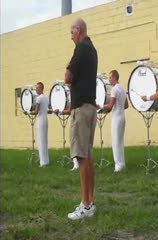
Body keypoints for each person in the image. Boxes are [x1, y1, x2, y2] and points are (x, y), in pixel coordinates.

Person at [64, 18, 98, 220]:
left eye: (72, 32)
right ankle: (90, 202)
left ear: (79, 30)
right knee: (87, 156)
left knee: (81, 157)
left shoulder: (81, 48)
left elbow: (68, 77)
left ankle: (85, 206)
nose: (71, 36)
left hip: (81, 108)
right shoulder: (92, 49)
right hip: (90, 106)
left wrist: (71, 82)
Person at [98, 70, 128, 172]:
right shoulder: (122, 88)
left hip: (116, 118)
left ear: (115, 77)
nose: (109, 79)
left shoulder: (114, 89)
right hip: (122, 117)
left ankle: (118, 166)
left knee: (115, 142)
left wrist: (100, 106)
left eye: (110, 77)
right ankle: (122, 164)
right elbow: (126, 105)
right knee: (120, 141)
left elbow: (110, 105)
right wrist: (118, 107)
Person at [24, 82, 50, 167]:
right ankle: (46, 160)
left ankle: (43, 162)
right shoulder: (46, 98)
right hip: (45, 119)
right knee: (45, 140)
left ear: (41, 88)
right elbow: (48, 110)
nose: (36, 90)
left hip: (41, 120)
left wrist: (28, 112)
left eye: (37, 88)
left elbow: (36, 112)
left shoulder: (39, 99)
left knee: (41, 141)